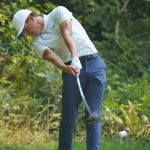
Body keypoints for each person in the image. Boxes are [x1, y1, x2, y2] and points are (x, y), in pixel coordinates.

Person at [12, 6, 107, 150]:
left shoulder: (58, 12)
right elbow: (51, 56)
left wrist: (75, 56)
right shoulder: (37, 42)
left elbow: (66, 33)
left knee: (93, 116)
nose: (27, 33)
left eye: (25, 29)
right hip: (71, 71)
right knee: (68, 117)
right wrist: (66, 67)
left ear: (31, 18)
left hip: (95, 64)